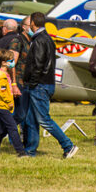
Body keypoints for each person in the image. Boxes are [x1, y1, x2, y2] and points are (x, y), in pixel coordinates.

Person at [23, 12, 79, 159]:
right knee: (31, 119)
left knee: (44, 120)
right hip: (42, 84)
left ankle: (68, 145)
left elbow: (39, 64)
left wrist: (32, 82)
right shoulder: (45, 38)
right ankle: (30, 151)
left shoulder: (40, 40)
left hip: (40, 85)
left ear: (33, 24)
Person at [0, 48, 29, 156]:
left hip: (5, 105)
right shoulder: (1, 77)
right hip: (3, 106)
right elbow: (2, 92)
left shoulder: (6, 74)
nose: (12, 62)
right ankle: (20, 150)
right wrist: (9, 101)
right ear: (3, 62)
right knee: (12, 127)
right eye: (10, 60)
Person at [11, 17, 33, 144]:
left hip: (28, 83)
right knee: (19, 115)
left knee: (25, 116)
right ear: (24, 26)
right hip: (18, 82)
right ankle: (1, 134)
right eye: (31, 25)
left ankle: (25, 142)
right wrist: (14, 84)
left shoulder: (31, 41)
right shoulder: (17, 41)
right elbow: (11, 63)